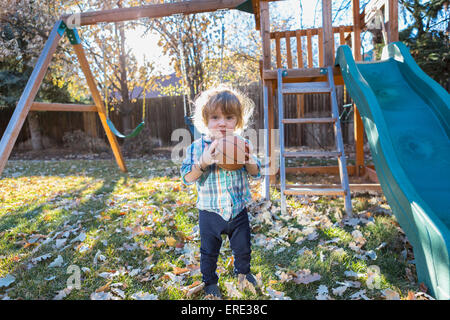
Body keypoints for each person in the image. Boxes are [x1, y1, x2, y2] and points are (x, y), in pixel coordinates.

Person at [180, 86, 262, 298]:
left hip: (237, 210)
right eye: (215, 117)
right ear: (205, 120)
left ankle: (243, 273)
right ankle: (210, 282)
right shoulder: (197, 148)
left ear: (238, 121)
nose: (222, 122)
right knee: (209, 251)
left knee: (243, 247)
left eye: (229, 117)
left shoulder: (242, 144)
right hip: (210, 212)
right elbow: (187, 178)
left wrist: (249, 160)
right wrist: (203, 162)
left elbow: (256, 174)